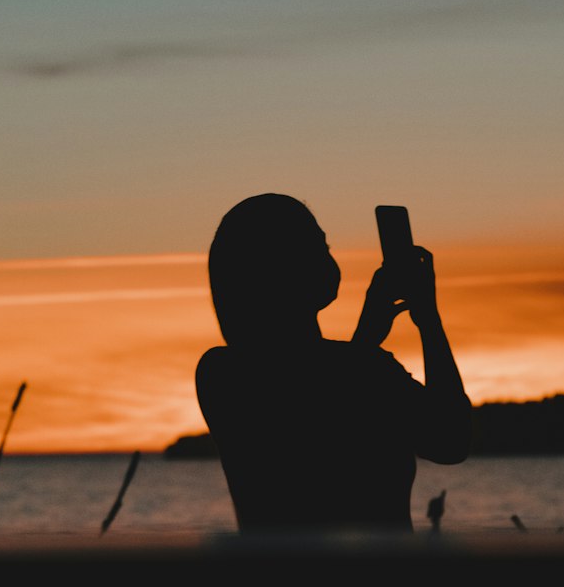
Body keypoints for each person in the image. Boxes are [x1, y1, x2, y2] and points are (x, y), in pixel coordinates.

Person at [195, 193, 471, 531]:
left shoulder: (369, 366)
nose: (327, 256)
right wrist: (369, 339)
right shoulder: (227, 373)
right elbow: (315, 427)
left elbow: (451, 440)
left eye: (325, 244)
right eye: (315, 245)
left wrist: (428, 320)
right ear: (273, 267)